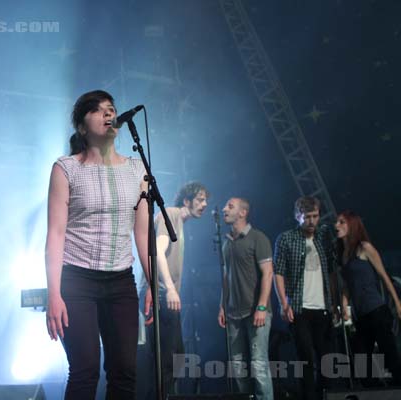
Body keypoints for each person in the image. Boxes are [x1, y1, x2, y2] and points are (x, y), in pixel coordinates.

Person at [44, 90, 152, 400]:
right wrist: (54, 294)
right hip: (77, 280)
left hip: (121, 281)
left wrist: (151, 283)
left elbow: (142, 233)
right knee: (85, 370)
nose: (108, 114)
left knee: (125, 372)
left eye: (111, 109)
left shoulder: (136, 170)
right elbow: (55, 235)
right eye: (98, 110)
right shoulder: (66, 168)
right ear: (81, 126)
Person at [138, 182, 209, 399]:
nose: (205, 204)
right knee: (167, 359)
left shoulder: (179, 221)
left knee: (174, 356)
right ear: (186, 201)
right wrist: (169, 288)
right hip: (158, 293)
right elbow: (157, 250)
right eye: (200, 199)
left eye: (206, 200)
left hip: (163, 294)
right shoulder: (172, 214)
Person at [274, 196, 335, 400]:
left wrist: (335, 303)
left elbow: (332, 271)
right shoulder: (286, 238)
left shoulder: (323, 238)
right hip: (300, 308)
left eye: (315, 216)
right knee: (306, 357)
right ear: (297, 216)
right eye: (307, 217)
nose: (311, 221)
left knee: (326, 358)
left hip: (323, 307)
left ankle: (325, 395)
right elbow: (279, 272)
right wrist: (284, 303)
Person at [335, 210, 401, 385]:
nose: (337, 226)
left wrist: (398, 303)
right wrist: (344, 306)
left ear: (352, 225)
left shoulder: (365, 248)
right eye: (337, 222)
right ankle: (374, 390)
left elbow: (384, 276)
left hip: (377, 310)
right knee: (361, 361)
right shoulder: (344, 255)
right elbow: (347, 286)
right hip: (361, 315)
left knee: (390, 354)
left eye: (342, 222)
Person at [218, 198, 274, 400]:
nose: (224, 209)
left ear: (243, 213)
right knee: (238, 366)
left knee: (259, 364)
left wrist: (261, 307)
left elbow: (268, 274)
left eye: (230, 206)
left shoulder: (258, 238)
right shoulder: (226, 243)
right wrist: (222, 306)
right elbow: (226, 276)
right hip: (233, 313)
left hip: (256, 312)